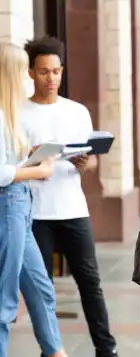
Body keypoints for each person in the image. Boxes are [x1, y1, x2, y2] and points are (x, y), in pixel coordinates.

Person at [20, 37, 118, 357]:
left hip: (73, 208)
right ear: (31, 72)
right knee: (41, 289)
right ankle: (50, 350)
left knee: (90, 284)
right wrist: (31, 159)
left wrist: (87, 162)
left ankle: (107, 350)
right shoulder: (17, 112)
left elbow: (90, 160)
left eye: (57, 71)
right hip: (34, 213)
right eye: (44, 72)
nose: (52, 79)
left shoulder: (77, 112)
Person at [0, 42, 68, 357]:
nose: (28, 80)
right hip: (7, 206)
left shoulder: (10, 114)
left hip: (19, 207)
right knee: (5, 300)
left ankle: (55, 352)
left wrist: (31, 157)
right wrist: (36, 171)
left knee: (41, 290)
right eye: (22, 72)